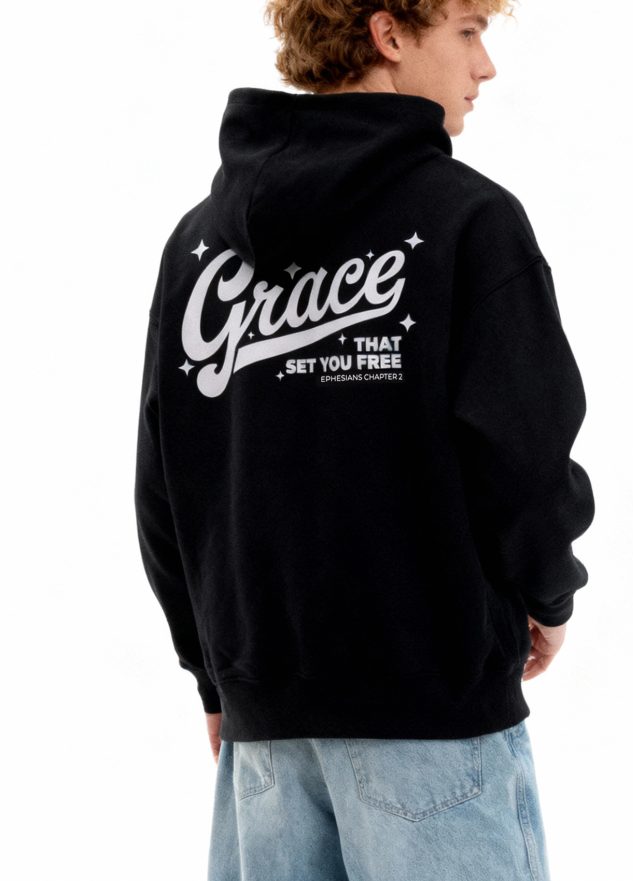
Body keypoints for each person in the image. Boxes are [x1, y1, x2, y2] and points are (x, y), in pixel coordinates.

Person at [133, 0, 595, 878]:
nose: (485, 66)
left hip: (265, 740)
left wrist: (215, 676)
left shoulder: (198, 247)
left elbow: (165, 485)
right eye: (467, 31)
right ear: (389, 34)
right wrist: (549, 592)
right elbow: (524, 454)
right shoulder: (468, 220)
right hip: (432, 719)